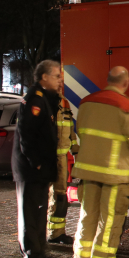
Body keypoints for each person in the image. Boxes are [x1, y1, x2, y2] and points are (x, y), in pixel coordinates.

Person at [71, 66, 129, 258]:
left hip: (88, 171)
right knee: (110, 220)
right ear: (125, 83)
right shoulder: (126, 106)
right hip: (114, 174)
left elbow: (81, 131)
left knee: (88, 215)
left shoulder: (86, 102)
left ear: (107, 80)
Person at [11, 60, 62, 258]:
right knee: (31, 213)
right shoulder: (35, 99)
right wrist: (38, 164)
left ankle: (39, 252)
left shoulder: (45, 99)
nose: (60, 80)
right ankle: (32, 256)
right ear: (44, 77)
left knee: (39, 212)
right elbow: (27, 135)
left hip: (38, 169)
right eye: (57, 75)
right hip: (32, 169)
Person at [46, 79, 79, 245]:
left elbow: (70, 130)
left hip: (60, 158)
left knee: (60, 197)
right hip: (45, 157)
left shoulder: (64, 103)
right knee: (43, 197)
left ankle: (57, 232)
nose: (59, 86)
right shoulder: (42, 102)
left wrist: (75, 151)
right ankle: (46, 232)